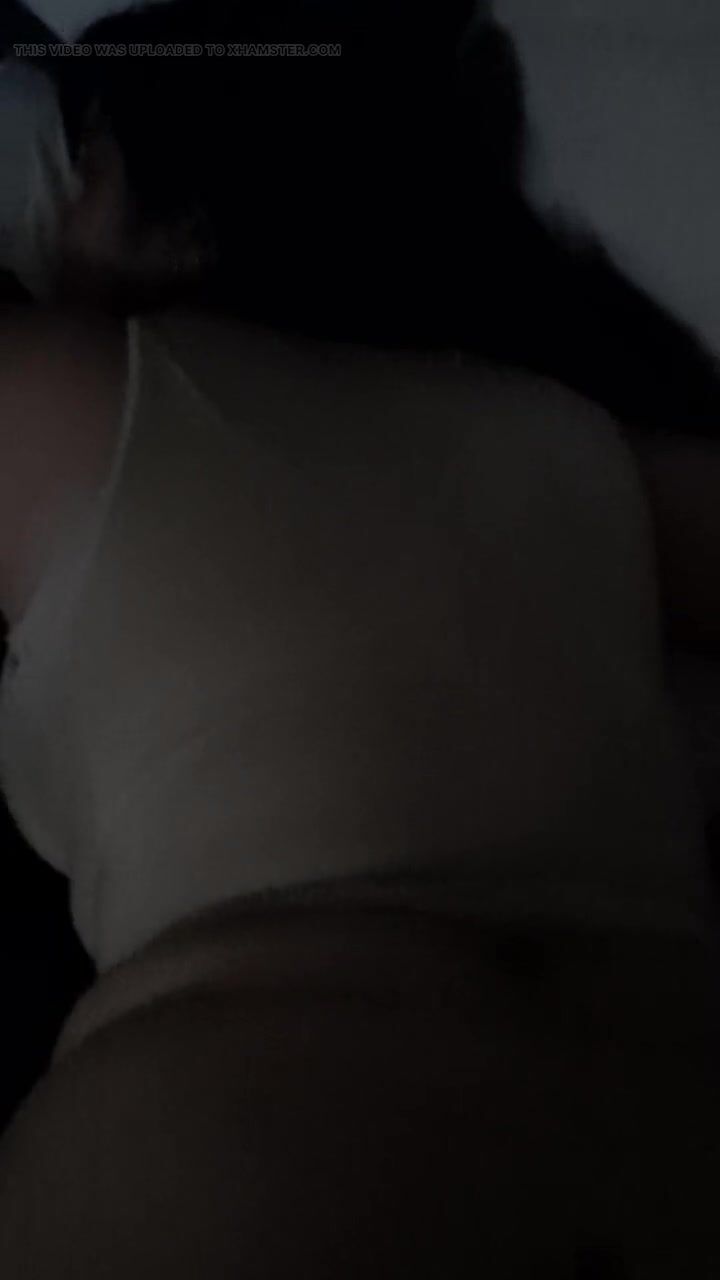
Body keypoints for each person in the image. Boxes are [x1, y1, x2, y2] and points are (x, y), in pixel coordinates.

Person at [0, 1, 719, 1274]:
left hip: (270, 1116)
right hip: (670, 1122)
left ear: (189, 220)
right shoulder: (580, 433)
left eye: (89, 168)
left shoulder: (69, 391)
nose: (53, 216)